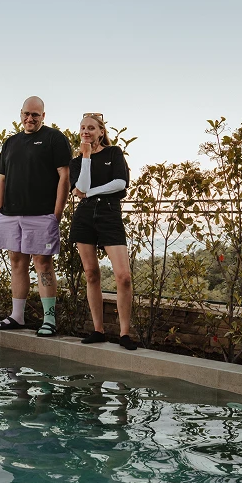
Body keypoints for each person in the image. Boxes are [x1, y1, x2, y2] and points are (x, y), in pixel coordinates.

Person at [0, 96, 72, 337]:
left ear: (43, 116)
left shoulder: (54, 139)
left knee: (43, 264)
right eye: (26, 114)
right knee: (17, 263)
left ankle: (49, 320)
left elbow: (64, 177)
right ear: (20, 114)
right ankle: (17, 316)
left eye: (35, 115)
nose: (30, 118)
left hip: (42, 215)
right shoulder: (10, 142)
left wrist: (56, 214)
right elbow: (2, 179)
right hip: (10, 215)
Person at [69, 113, 136, 350]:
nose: (86, 131)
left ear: (101, 132)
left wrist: (90, 192)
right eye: (82, 128)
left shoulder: (113, 153)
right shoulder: (77, 161)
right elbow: (81, 187)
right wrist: (86, 156)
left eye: (91, 128)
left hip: (109, 214)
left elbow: (120, 183)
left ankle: (125, 333)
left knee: (123, 277)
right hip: (85, 216)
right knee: (91, 273)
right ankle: (98, 330)